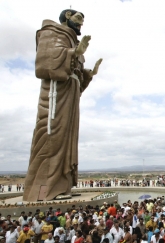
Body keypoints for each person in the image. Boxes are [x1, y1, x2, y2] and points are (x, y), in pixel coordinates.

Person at [23, 8, 102, 201]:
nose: (81, 22)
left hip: (70, 94)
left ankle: (61, 186)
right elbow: (44, 64)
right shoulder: (51, 32)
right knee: (53, 137)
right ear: (67, 16)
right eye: (78, 18)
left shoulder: (72, 39)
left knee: (67, 138)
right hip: (55, 96)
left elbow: (76, 77)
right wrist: (73, 52)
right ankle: (46, 190)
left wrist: (88, 75)